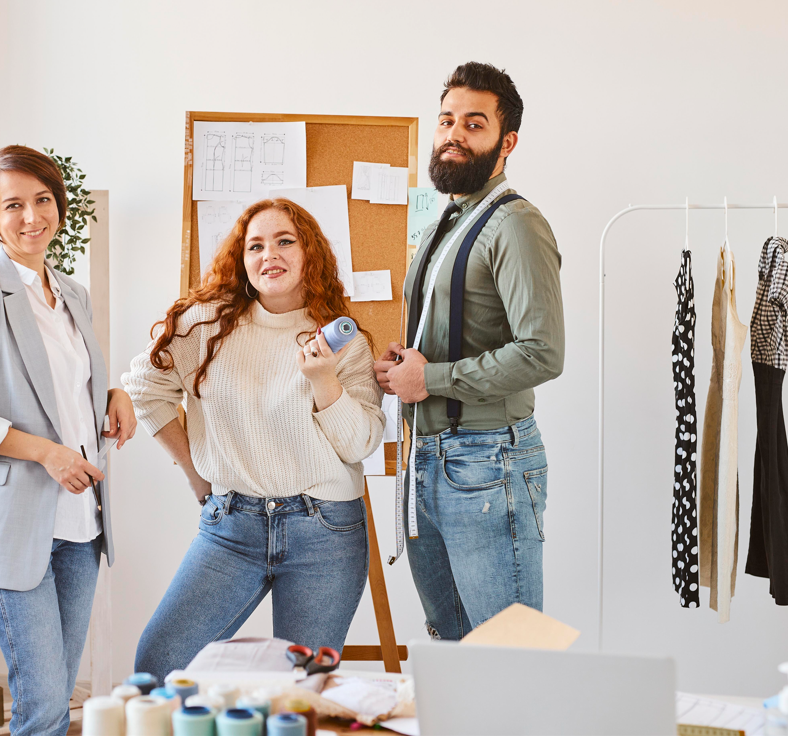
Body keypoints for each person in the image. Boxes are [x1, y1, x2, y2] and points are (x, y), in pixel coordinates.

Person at [123, 198, 385, 680]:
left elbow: (360, 445)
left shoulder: (342, 342)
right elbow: (144, 389)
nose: (270, 255)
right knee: (158, 666)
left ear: (309, 253)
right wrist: (194, 473)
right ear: (241, 259)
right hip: (231, 526)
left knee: (301, 689)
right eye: (256, 246)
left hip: (324, 532)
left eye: (285, 241)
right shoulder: (204, 325)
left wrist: (323, 379)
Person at [0, 145, 136, 736]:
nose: (31, 216)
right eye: (13, 205)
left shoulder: (72, 294)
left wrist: (113, 393)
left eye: (43, 200)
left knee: (55, 698)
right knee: (43, 706)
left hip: (79, 524)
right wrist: (46, 453)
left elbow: (62, 388)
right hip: (10, 525)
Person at [375, 62, 564, 640]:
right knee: (453, 645)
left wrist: (430, 380)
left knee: (510, 651)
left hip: (487, 462)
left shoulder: (517, 225)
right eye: (446, 120)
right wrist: (405, 365)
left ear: (507, 143)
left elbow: (543, 352)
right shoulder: (446, 222)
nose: (454, 133)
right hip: (425, 458)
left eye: (474, 124)